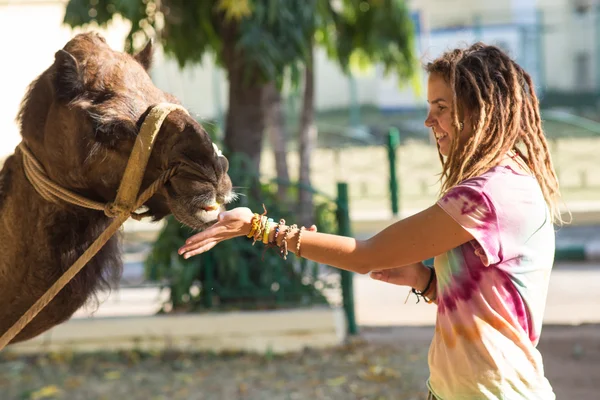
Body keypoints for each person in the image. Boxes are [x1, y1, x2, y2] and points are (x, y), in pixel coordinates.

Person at [179, 42, 562, 400]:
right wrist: (425, 281)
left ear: (481, 108)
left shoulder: (488, 195)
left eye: (442, 107)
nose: (429, 120)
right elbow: (488, 306)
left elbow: (368, 255)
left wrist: (259, 228)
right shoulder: (503, 184)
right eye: (430, 106)